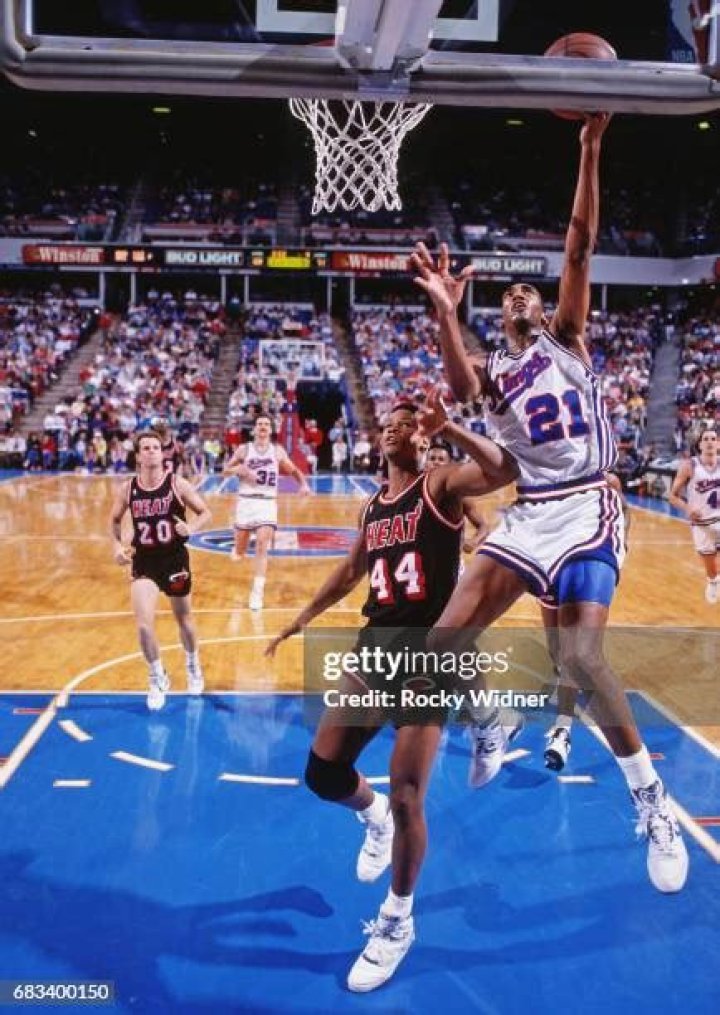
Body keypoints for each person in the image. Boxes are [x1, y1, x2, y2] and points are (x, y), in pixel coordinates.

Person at [410, 112, 688, 893]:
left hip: (589, 504)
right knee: (440, 643)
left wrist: (590, 147)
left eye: (529, 290)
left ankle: (653, 801)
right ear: (501, 317)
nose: (523, 296)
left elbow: (578, 244)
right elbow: (462, 386)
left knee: (580, 658)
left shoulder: (567, 335)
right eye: (511, 295)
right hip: (533, 509)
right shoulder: (495, 372)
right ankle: (492, 719)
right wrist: (445, 312)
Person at [265, 396, 519, 992]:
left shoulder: (442, 485)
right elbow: (351, 570)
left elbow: (503, 469)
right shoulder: (373, 505)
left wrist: (450, 425)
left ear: (424, 440)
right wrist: (303, 616)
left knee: (409, 796)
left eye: (408, 426)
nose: (396, 431)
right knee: (324, 773)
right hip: (375, 646)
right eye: (389, 425)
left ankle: (397, 921)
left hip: (428, 651)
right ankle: (371, 815)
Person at [110, 429, 212, 710]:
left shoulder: (177, 484)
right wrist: (117, 546)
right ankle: (157, 676)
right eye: (146, 448)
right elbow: (115, 520)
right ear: (138, 455)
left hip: (174, 559)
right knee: (144, 626)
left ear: (163, 453)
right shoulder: (128, 489)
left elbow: (205, 512)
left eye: (156, 447)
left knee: (184, 619)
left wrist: (191, 528)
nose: (152, 451)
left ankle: (192, 664)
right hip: (144, 560)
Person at [223, 414, 312, 610]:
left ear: (271, 430)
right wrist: (238, 470)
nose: (263, 427)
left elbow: (293, 470)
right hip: (246, 502)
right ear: (254, 429)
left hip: (267, 503)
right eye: (259, 424)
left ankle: (257, 592)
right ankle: (238, 549)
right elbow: (224, 471)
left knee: (262, 545)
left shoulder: (277, 451)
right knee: (240, 551)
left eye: (266, 424)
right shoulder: (244, 449)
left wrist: (303, 484)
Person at [669, 428, 720, 603]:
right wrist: (687, 508)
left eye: (713, 438)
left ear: (718, 444)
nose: (710, 442)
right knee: (710, 564)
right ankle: (713, 581)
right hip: (701, 523)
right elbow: (672, 496)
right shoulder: (689, 466)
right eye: (706, 439)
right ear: (699, 445)